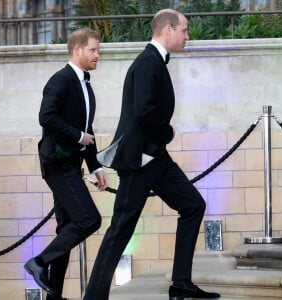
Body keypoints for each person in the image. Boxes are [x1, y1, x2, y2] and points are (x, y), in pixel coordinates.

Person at [84, 9, 220, 300]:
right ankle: (93, 297)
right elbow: (144, 111)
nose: (187, 36)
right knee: (120, 229)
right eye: (184, 30)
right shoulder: (148, 62)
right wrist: (166, 132)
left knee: (193, 205)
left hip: (155, 158)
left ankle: (180, 283)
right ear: (168, 29)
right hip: (140, 160)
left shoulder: (154, 61)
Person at [24, 28, 108, 300]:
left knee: (66, 229)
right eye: (93, 50)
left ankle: (53, 296)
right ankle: (38, 262)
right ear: (77, 50)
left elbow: (87, 128)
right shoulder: (60, 80)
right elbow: (46, 117)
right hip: (57, 163)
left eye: (98, 50)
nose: (98, 55)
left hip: (72, 163)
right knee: (89, 220)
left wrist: (95, 166)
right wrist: (77, 136)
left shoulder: (85, 84)